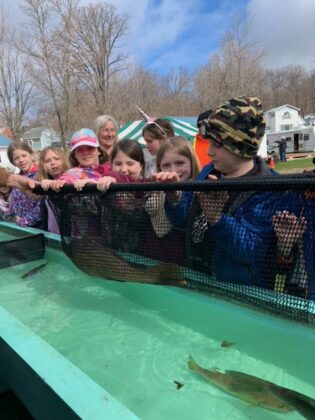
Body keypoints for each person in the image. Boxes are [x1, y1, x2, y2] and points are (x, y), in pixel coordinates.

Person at [157, 96, 294, 287]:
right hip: (199, 281)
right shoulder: (208, 172)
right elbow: (182, 222)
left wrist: (217, 218)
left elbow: (251, 251)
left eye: (217, 145)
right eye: (209, 143)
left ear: (241, 147)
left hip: (240, 297)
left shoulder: (268, 189)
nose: (209, 152)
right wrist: (173, 197)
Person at [143, 136, 200, 264]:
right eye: (166, 165)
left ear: (191, 162)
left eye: (180, 163)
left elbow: (182, 219)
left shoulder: (200, 192)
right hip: (154, 254)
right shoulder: (153, 188)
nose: (173, 170)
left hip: (185, 260)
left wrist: (173, 196)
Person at [6, 142, 42, 227]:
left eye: (24, 156)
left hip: (39, 227)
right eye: (16, 158)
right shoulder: (16, 179)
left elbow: (41, 204)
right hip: (21, 227)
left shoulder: (40, 175)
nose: (21, 160)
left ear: (31, 155)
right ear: (13, 162)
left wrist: (25, 221)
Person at [38, 146, 70, 233]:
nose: (53, 163)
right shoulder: (44, 186)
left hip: (69, 236)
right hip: (52, 234)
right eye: (47, 161)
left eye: (56, 159)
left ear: (64, 160)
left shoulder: (71, 182)